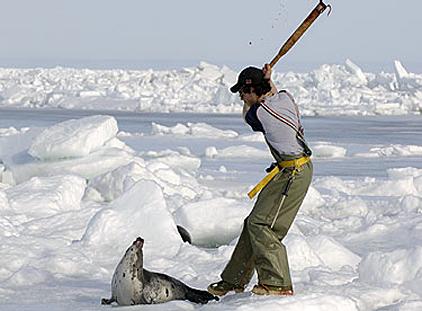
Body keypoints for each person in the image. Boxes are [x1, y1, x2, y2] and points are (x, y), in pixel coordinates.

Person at [207, 64, 313, 296]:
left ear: (252, 90)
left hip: (293, 174)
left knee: (262, 225)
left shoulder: (262, 113)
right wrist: (267, 81)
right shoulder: (285, 98)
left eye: (242, 93)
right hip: (288, 169)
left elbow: (248, 114)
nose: (241, 98)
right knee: (252, 222)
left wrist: (257, 91)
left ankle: (277, 283)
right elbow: (272, 94)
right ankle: (234, 280)